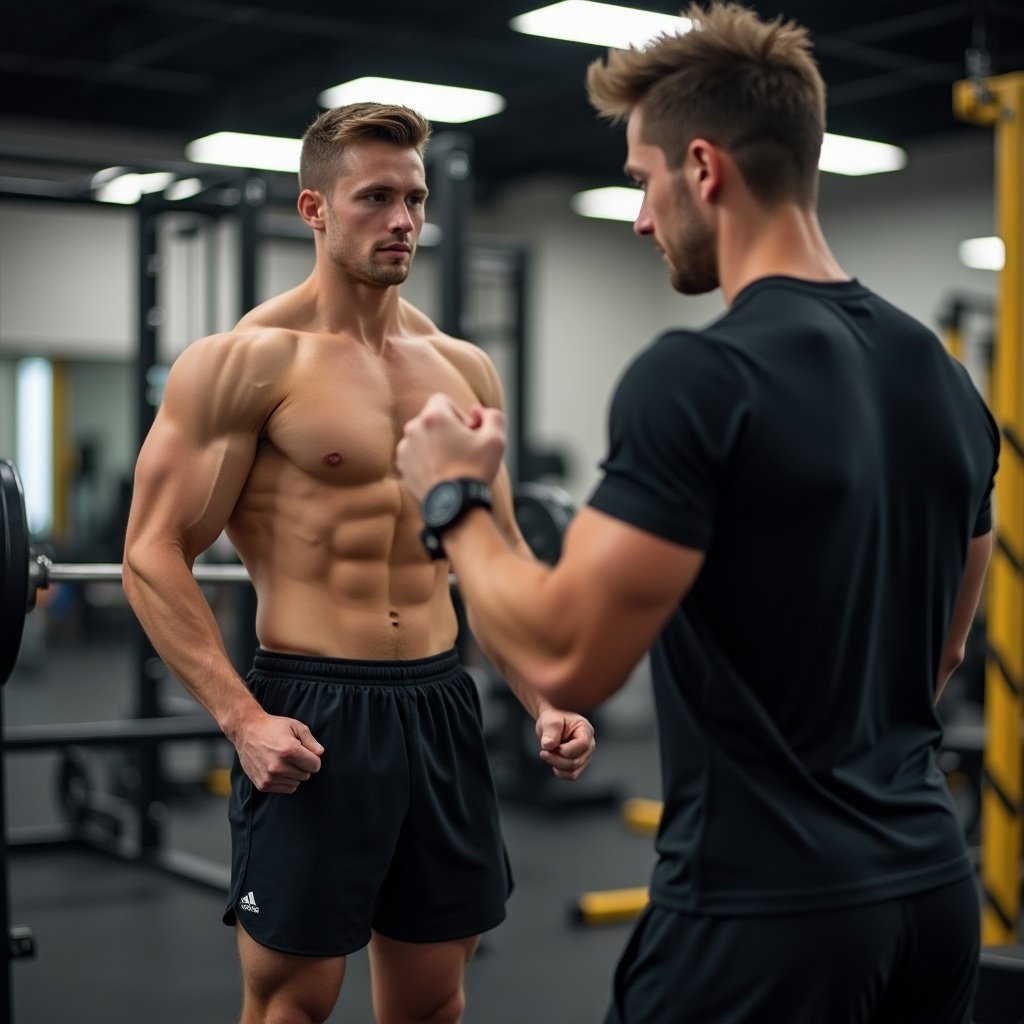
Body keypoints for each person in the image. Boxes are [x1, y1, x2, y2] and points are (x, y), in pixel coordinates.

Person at [395, 5, 1000, 1022]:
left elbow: (563, 661)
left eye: (641, 180)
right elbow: (938, 657)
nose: (638, 216)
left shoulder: (698, 375)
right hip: (933, 898)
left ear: (704, 169)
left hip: (762, 917)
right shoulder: (944, 386)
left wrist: (453, 497)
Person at [122, 101, 596, 1024]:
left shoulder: (463, 370)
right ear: (315, 209)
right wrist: (242, 720)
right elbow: (150, 552)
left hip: (440, 703)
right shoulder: (246, 363)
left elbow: (491, 557)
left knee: (433, 1001)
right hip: (311, 708)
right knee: (293, 1001)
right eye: (376, 197)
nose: (404, 220)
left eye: (414, 199)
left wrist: (546, 697)